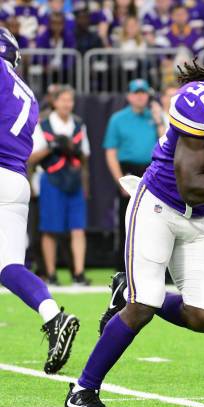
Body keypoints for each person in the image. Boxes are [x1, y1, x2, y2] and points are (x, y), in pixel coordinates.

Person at [64, 20, 204, 407]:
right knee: (144, 302)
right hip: (160, 205)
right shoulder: (203, 101)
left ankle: (124, 291)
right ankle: (83, 390)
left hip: (201, 219)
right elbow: (190, 185)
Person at [0, 28, 79, 374]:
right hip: (17, 179)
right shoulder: (28, 93)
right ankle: (52, 315)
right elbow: (31, 147)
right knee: (9, 267)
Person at [30, 85, 91, 286]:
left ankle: (79, 274)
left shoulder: (79, 124)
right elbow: (32, 158)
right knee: (50, 229)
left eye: (70, 100)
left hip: (73, 180)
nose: (67, 104)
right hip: (52, 180)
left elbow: (84, 156)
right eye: (63, 100)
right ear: (55, 102)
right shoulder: (44, 125)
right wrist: (52, 146)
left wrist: (84, 182)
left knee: (78, 228)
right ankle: (51, 273)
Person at [103, 79, 164, 271]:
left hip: (151, 170)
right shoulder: (118, 119)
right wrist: (120, 180)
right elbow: (111, 152)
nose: (140, 96)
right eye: (136, 93)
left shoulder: (154, 117)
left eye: (143, 93)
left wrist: (158, 119)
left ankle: (154, 266)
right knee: (127, 221)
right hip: (128, 170)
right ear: (129, 96)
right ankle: (124, 266)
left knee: (156, 221)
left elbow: (164, 142)